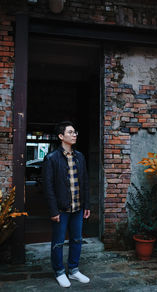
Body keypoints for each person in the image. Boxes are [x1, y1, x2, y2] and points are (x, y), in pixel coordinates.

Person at [43, 121, 90, 288]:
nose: (74, 134)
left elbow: (85, 182)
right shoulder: (51, 158)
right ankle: (59, 272)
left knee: (77, 240)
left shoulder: (80, 157)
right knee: (58, 242)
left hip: (78, 208)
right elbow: (48, 187)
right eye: (70, 132)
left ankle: (74, 270)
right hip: (61, 210)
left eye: (75, 132)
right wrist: (53, 210)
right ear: (61, 136)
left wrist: (87, 205)